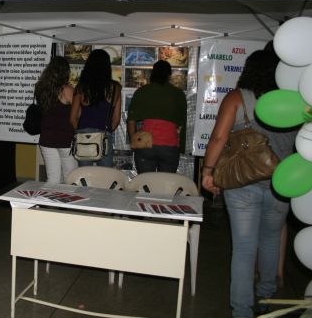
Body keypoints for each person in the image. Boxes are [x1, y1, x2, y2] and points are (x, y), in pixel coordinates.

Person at [201, 49, 296, 318]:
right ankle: (266, 298)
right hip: (280, 181)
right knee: (271, 241)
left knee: (243, 247)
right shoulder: (293, 100)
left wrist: (208, 171)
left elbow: (219, 138)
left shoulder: (237, 98)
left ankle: (241, 310)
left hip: (241, 183)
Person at [127, 60, 187, 173]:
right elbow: (182, 123)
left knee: (146, 182)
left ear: (152, 74)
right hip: (169, 145)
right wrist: (181, 147)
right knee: (165, 182)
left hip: (145, 144)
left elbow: (131, 120)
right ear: (169, 75)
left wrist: (133, 141)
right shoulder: (178, 94)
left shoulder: (142, 91)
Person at [70, 49, 122, 167]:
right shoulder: (116, 87)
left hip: (84, 135)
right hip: (105, 136)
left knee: (85, 175)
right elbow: (116, 120)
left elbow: (72, 118)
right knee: (105, 175)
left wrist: (80, 131)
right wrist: (106, 131)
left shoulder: (81, 87)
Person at [34, 56, 77, 183]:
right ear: (65, 72)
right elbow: (78, 113)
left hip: (46, 138)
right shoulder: (67, 90)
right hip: (65, 139)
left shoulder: (40, 88)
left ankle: (50, 196)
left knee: (53, 178)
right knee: (70, 178)